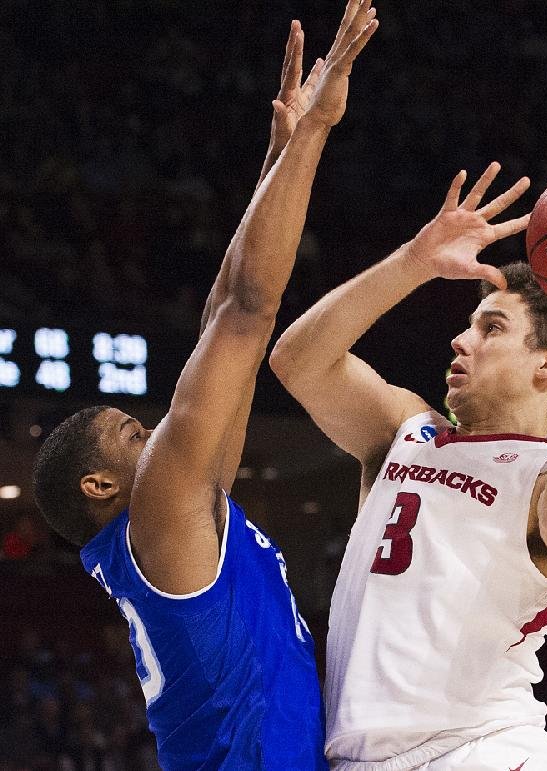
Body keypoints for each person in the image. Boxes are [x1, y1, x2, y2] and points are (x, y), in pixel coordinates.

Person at [30, 4, 379, 768]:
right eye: (133, 435)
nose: (155, 434)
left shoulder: (178, 520)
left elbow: (223, 319)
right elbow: (249, 314)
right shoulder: (159, 511)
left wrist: (279, 155)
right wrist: (317, 132)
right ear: (99, 483)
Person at [270, 162, 547, 768]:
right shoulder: (405, 432)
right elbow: (298, 361)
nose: (460, 341)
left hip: (483, 751)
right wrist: (414, 261)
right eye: (468, 325)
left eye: (490, 328)